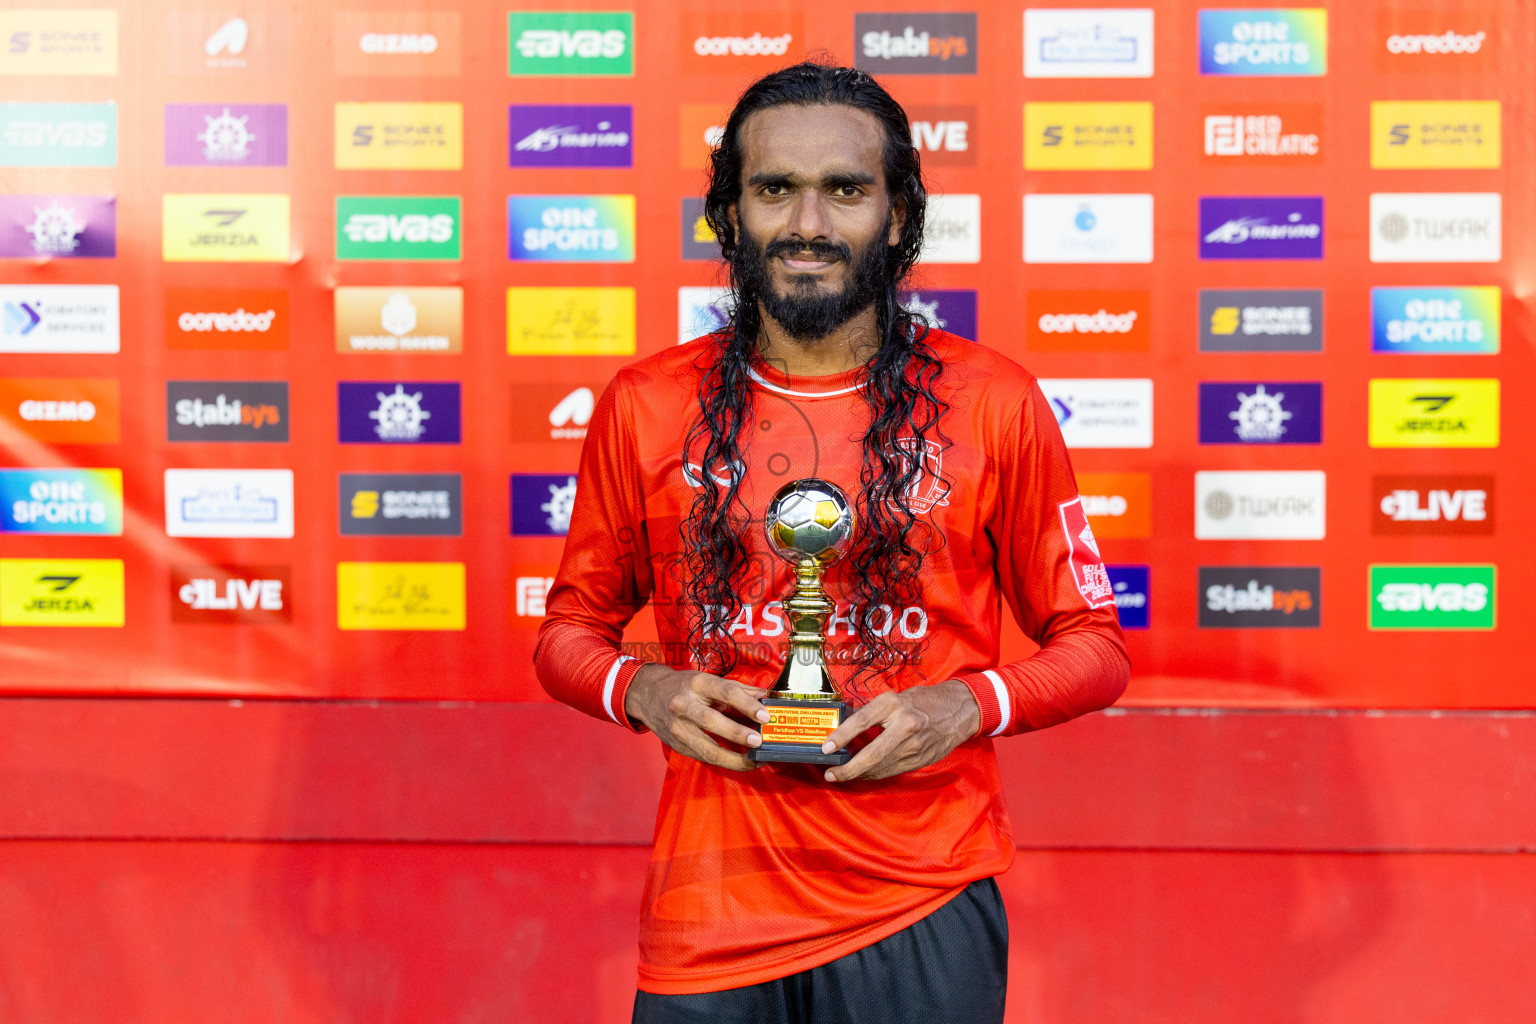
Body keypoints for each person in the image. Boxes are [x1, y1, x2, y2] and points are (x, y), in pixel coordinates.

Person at [534, 61, 1129, 1023]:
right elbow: (567, 633)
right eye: (775, 189)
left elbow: (1096, 647)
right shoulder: (646, 405)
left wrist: (964, 706)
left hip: (921, 896)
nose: (808, 224)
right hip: (711, 905)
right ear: (729, 216)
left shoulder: (995, 402)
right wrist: (646, 687)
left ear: (898, 216)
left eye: (845, 190)